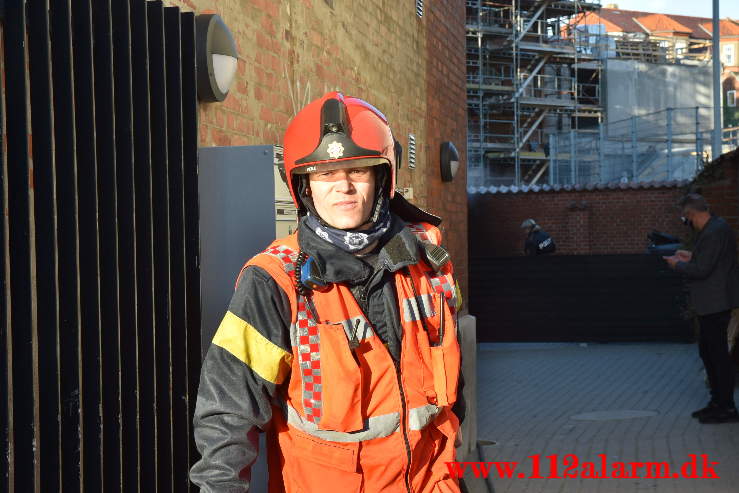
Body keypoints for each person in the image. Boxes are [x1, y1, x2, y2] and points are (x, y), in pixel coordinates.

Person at [190, 92, 464, 492]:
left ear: (382, 177)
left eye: (358, 170)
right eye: (325, 174)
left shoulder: (429, 263)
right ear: (304, 186)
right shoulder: (274, 280)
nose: (344, 187)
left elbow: (454, 400)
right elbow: (229, 411)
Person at [664, 193, 739, 424]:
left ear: (691, 214)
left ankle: (725, 407)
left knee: (717, 356)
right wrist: (692, 256)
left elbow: (702, 270)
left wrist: (678, 265)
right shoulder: (716, 227)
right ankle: (717, 402)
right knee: (708, 353)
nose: (687, 223)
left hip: (716, 303)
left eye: (686, 218)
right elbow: (708, 261)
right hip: (712, 303)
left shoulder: (714, 232)